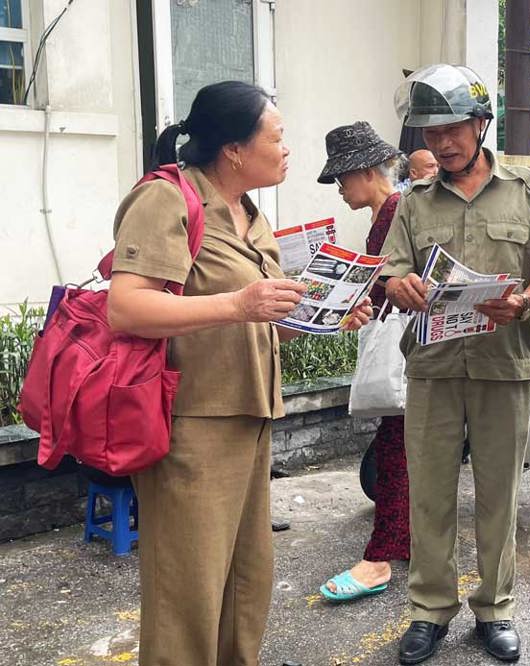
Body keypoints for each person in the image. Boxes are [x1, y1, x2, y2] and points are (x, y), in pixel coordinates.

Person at [106, 81, 372, 665]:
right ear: (233, 149)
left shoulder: (249, 213)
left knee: (245, 584)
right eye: (276, 138)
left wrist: (322, 317)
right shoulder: (167, 199)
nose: (287, 150)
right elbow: (125, 307)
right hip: (191, 425)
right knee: (188, 590)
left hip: (250, 417)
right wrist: (238, 305)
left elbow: (261, 320)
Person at [381, 63, 530, 665]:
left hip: (505, 364)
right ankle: (429, 609)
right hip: (432, 365)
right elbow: (391, 268)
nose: (444, 143)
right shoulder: (413, 203)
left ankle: (496, 608)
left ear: (482, 123)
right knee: (429, 493)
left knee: (499, 493)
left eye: (454, 129)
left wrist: (525, 299)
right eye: (431, 134)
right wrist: (398, 284)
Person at [316, 120, 410, 601]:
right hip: (402, 347)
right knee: (403, 452)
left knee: (396, 452)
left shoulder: (395, 210)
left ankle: (380, 559)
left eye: (342, 178)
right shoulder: (388, 211)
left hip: (406, 352)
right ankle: (406, 543)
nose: (339, 189)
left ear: (369, 171)